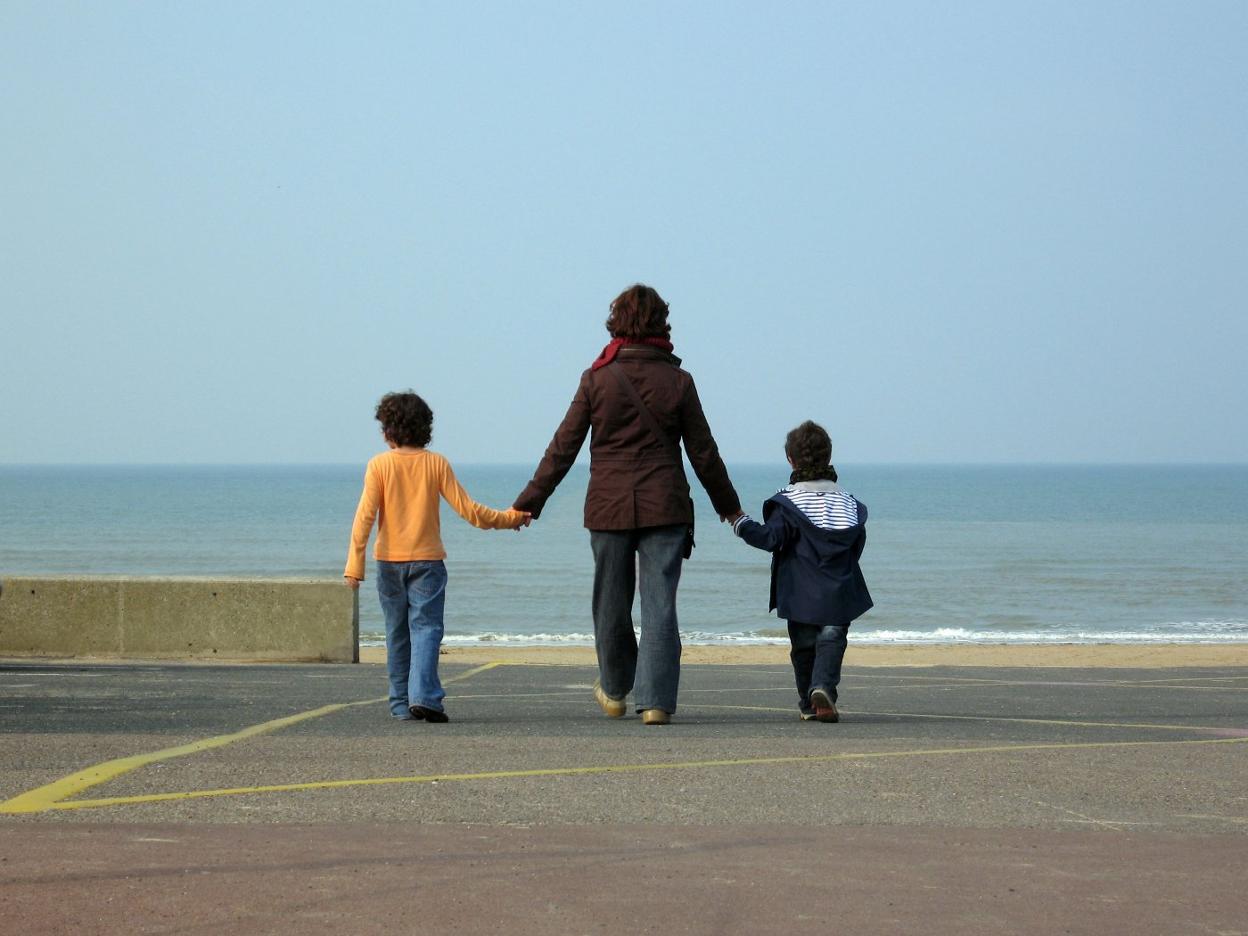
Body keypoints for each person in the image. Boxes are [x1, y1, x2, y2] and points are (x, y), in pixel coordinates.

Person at [514, 284, 742, 725]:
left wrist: (530, 502)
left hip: (609, 505)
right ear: (662, 324)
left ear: (616, 321)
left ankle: (616, 690)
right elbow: (704, 453)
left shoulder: (597, 378)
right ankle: (655, 702)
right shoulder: (678, 381)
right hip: (665, 504)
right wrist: (730, 509)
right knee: (660, 604)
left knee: (610, 602)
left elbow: (562, 448)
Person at [344, 391, 529, 723]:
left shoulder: (379, 465)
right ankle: (425, 697)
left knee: (396, 633)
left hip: (387, 562)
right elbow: (470, 511)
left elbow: (364, 518)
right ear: (425, 428)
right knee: (426, 629)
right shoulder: (435, 463)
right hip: (427, 563)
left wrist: (354, 565)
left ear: (388, 430)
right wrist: (510, 518)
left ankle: (401, 703)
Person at [731, 420, 872, 722]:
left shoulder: (788, 504)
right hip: (839, 590)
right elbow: (857, 544)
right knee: (832, 639)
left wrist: (740, 523)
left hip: (799, 593)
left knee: (804, 648)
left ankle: (809, 703)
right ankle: (822, 690)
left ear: (790, 460)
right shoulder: (848, 503)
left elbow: (771, 539)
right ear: (828, 457)